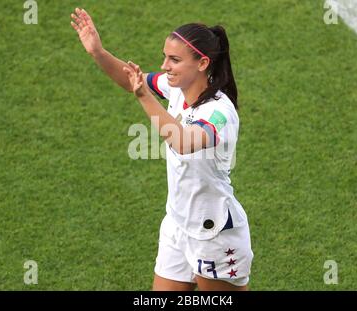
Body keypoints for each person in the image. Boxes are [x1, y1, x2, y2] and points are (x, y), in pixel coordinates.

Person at [71, 7, 253, 291]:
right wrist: (98, 52)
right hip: (177, 224)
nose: (165, 65)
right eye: (165, 57)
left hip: (213, 232)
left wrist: (144, 98)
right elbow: (133, 79)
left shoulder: (219, 112)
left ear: (202, 63)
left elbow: (183, 142)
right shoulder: (177, 88)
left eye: (175, 59)